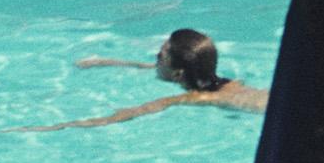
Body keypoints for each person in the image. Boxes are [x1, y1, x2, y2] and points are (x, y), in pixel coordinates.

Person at [22, 28, 269, 131]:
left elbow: (128, 114)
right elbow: (152, 67)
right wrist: (109, 62)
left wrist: (57, 126)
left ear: (178, 74)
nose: (154, 60)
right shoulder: (217, 80)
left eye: (159, 57)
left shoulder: (197, 97)